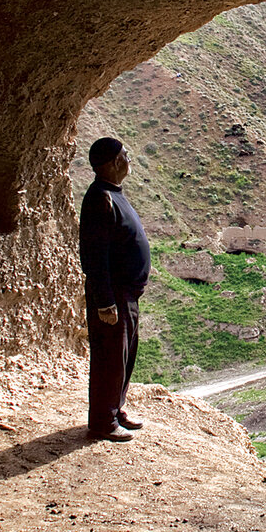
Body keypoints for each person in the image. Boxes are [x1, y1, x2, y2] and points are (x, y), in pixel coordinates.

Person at [79, 136, 151, 441]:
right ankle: (102, 423)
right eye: (125, 155)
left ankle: (116, 409)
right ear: (111, 163)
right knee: (109, 357)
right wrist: (105, 301)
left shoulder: (113, 194)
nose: (129, 159)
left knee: (123, 356)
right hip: (113, 296)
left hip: (127, 294)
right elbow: (95, 256)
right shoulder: (99, 198)